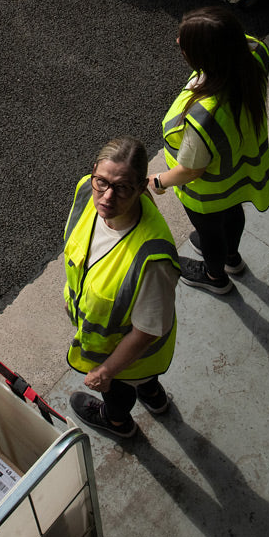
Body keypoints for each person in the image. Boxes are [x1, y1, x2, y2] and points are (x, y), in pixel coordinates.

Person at [63, 137, 181, 439]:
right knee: (142, 381)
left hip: (127, 356)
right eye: (101, 182)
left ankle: (118, 422)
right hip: (110, 339)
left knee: (118, 390)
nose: (107, 196)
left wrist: (106, 372)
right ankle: (153, 395)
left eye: (122, 188)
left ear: (141, 188)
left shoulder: (153, 259)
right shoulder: (85, 191)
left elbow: (146, 332)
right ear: (93, 172)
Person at [150, 5, 269, 296]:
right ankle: (232, 258)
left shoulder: (203, 117)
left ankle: (215, 276)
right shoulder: (255, 56)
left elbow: (191, 170)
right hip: (237, 177)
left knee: (210, 232)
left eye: (185, 44)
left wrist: (158, 181)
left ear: (207, 57)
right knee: (233, 213)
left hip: (207, 194)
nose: (178, 42)